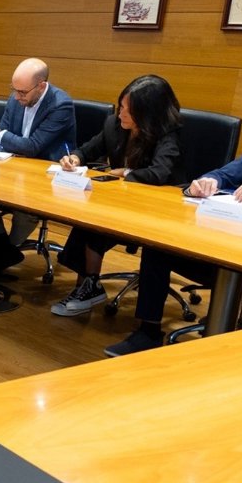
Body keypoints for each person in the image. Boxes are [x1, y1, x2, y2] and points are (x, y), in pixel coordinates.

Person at [106, 72, 242, 357]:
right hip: (236, 239)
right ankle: (147, 332)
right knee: (159, 245)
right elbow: (227, 173)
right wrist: (207, 181)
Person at [50, 75, 185, 316]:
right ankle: (87, 285)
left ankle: (88, 286)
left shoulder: (168, 133)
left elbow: (159, 173)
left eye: (128, 110)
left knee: (95, 222)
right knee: (88, 219)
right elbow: (88, 149)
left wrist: (126, 172)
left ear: (147, 113)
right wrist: (75, 159)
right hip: (121, 200)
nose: (120, 113)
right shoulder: (114, 124)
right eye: (121, 106)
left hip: (157, 208)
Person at [0, 57, 77, 262]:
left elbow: (32, 147)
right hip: (15, 170)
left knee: (24, 209)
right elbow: (5, 133)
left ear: (41, 86)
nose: (16, 96)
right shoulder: (17, 98)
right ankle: (4, 249)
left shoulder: (61, 105)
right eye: (14, 90)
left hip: (44, 176)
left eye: (22, 92)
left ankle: (4, 252)